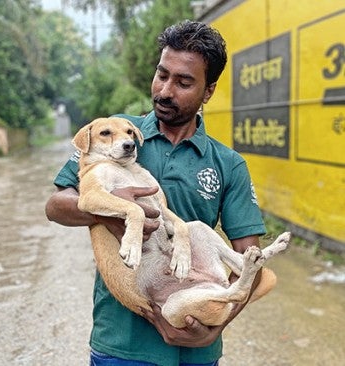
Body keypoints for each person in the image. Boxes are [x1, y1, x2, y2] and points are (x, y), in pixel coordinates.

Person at [45, 20, 266, 366]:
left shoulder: (228, 164)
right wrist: (112, 210)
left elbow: (251, 260)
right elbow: (56, 205)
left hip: (196, 349)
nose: (165, 91)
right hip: (121, 343)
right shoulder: (114, 135)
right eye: (162, 75)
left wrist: (216, 326)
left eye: (183, 82)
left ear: (208, 91)